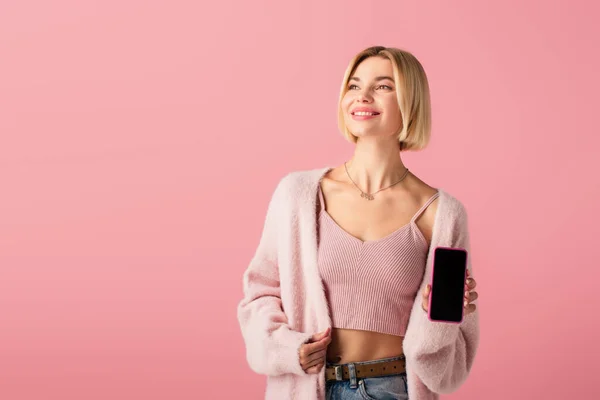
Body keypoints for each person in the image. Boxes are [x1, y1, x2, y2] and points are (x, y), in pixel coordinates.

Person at [237, 46, 480, 400]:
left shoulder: (442, 213)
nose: (362, 96)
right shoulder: (299, 194)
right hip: (307, 387)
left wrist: (437, 319)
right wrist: (287, 349)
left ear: (410, 102)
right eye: (353, 85)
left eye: (383, 86)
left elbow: (448, 369)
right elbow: (259, 293)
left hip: (393, 388)